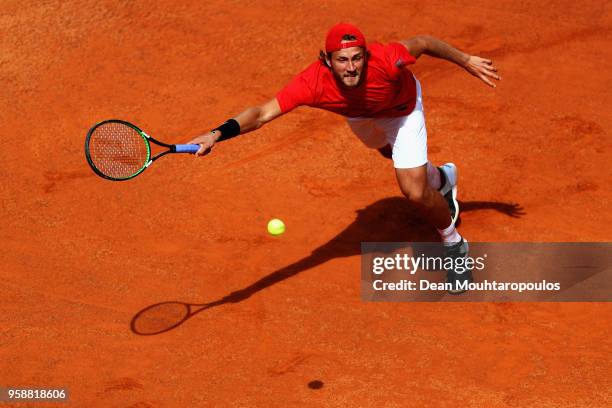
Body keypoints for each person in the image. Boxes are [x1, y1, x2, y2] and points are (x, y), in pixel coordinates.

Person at [187, 23, 501, 294]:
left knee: (414, 190)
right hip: (360, 115)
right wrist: (217, 134)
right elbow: (260, 114)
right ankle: (442, 180)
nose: (351, 67)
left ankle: (454, 244)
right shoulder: (312, 82)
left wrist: (466, 60)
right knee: (387, 152)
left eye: (356, 58)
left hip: (401, 111)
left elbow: (424, 42)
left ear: (366, 55)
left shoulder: (388, 59)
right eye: (342, 60)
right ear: (326, 60)